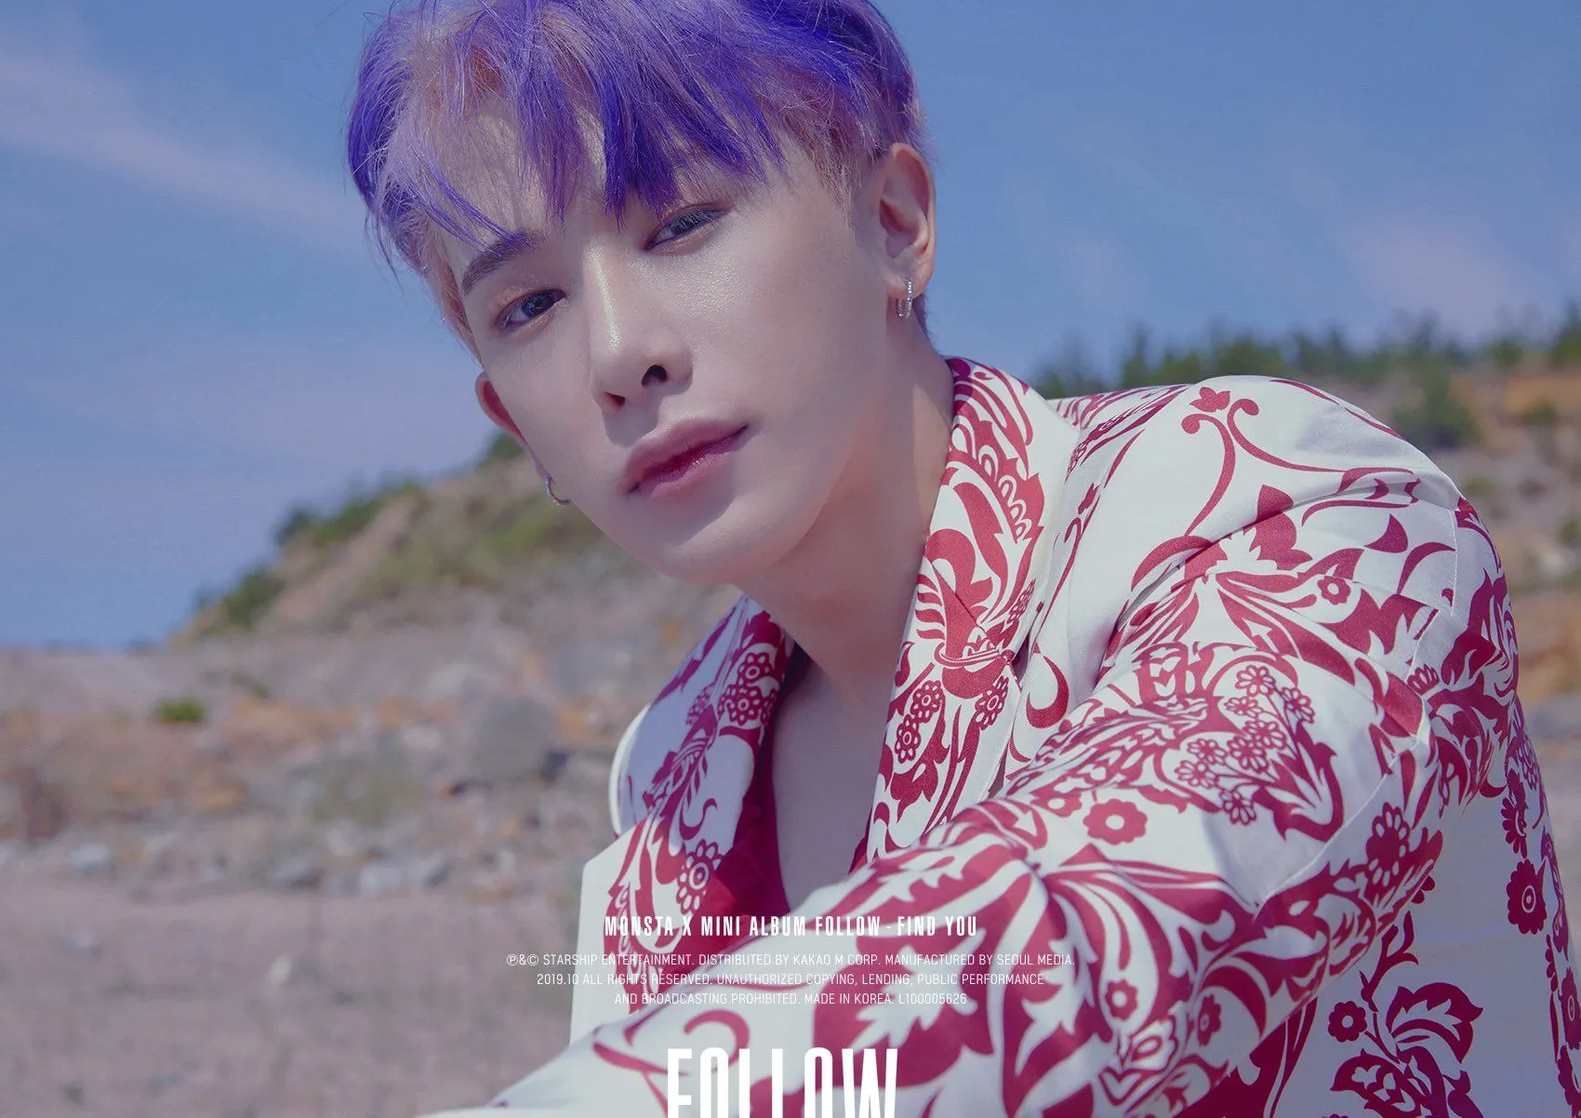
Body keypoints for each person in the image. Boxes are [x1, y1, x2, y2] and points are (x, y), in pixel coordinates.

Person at [345, 2, 1579, 1114]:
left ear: (894, 223)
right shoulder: (670, 773)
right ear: (513, 420)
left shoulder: (1299, 511)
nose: (620, 352)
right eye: (528, 306)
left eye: (682, 222)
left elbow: (1091, 936)